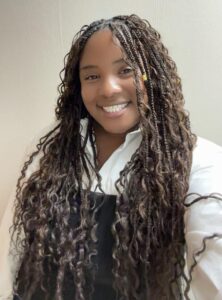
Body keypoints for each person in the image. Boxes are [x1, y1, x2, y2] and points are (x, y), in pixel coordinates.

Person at [0, 14, 222, 300]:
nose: (108, 88)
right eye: (92, 76)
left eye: (126, 70)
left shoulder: (199, 164)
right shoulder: (50, 148)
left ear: (150, 75)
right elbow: (12, 251)